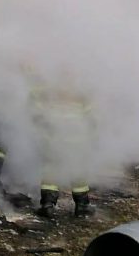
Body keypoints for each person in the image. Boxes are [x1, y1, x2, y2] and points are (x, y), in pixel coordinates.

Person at [31, 82, 96, 218]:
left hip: (54, 141)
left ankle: (48, 205)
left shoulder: (51, 91)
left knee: (51, 171)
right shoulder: (81, 93)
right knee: (78, 172)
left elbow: (39, 116)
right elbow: (91, 120)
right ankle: (82, 206)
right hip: (77, 142)